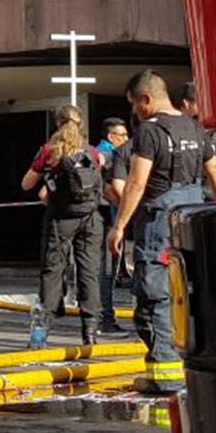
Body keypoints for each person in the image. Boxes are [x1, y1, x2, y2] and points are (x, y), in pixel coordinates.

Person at [109, 70, 216, 393]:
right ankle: (189, 366)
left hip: (159, 224)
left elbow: (136, 183)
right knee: (186, 293)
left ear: (146, 100)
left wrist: (119, 227)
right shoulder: (194, 126)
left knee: (154, 294)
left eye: (135, 105)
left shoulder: (149, 132)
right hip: (190, 218)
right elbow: (214, 171)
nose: (135, 113)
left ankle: (164, 373)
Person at [23, 108, 105, 342]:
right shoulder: (93, 152)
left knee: (53, 269)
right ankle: (90, 331)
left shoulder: (49, 151)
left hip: (60, 218)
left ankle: (42, 330)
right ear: (81, 124)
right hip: (91, 218)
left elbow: (27, 184)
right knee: (89, 272)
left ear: (57, 123)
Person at [96, 116, 131, 334]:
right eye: (123, 135)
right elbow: (111, 189)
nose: (127, 139)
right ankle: (106, 319)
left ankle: (104, 317)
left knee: (105, 271)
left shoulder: (98, 153)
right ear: (111, 136)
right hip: (109, 220)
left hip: (102, 219)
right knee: (106, 272)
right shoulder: (109, 155)